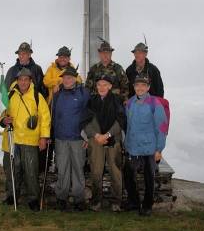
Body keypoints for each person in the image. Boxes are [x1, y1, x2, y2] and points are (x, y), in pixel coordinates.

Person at [0, 68, 51, 211]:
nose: (23, 82)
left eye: (26, 79)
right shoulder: (10, 95)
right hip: (12, 139)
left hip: (30, 140)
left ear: (30, 81)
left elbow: (45, 118)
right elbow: (2, 113)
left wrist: (43, 137)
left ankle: (33, 200)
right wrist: (4, 120)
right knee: (11, 170)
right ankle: (11, 196)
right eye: (20, 79)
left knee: (31, 172)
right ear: (17, 80)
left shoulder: (37, 96)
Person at [123, 75, 168, 216]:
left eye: (143, 85)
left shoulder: (155, 103)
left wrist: (159, 149)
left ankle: (147, 205)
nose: (140, 88)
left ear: (148, 87)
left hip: (149, 148)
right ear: (134, 87)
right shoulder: (129, 103)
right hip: (133, 147)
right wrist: (126, 144)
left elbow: (161, 127)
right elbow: (127, 127)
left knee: (149, 178)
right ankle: (134, 202)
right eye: (137, 85)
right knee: (128, 175)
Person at [82, 74, 126, 212]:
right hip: (95, 141)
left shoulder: (117, 100)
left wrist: (107, 135)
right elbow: (85, 122)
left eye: (105, 84)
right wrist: (96, 135)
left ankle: (116, 202)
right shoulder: (91, 101)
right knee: (96, 171)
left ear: (110, 86)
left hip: (113, 140)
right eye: (99, 84)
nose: (102, 87)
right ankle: (96, 201)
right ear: (96, 86)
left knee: (116, 172)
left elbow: (120, 121)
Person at [52, 66, 89, 211]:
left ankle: (79, 199)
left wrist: (87, 136)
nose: (66, 80)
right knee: (62, 169)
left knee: (78, 170)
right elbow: (53, 115)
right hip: (61, 138)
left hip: (78, 138)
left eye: (69, 78)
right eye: (64, 78)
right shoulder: (57, 94)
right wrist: (51, 135)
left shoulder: (84, 93)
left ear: (75, 78)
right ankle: (61, 198)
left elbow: (89, 115)